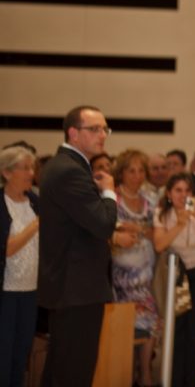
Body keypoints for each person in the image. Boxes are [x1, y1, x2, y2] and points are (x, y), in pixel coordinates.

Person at [38, 105, 118, 386]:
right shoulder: (69, 171)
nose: (103, 135)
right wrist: (109, 191)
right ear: (73, 133)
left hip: (72, 288)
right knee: (74, 372)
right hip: (76, 289)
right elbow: (104, 224)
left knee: (61, 369)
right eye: (94, 129)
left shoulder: (67, 166)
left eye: (105, 129)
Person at [153, 173, 195, 387]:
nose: (183, 195)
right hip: (175, 275)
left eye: (187, 191)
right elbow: (159, 245)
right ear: (169, 194)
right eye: (178, 190)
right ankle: (173, 380)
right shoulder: (162, 213)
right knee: (176, 329)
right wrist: (179, 224)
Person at [112, 149, 160, 387]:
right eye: (132, 170)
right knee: (124, 328)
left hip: (146, 271)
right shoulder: (113, 200)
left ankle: (146, 375)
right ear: (121, 172)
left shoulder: (149, 200)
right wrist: (134, 229)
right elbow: (114, 229)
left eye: (141, 170)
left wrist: (136, 228)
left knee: (151, 323)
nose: (137, 175)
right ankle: (125, 375)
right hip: (122, 275)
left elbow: (155, 231)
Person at [0, 146, 40, 387]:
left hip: (31, 290)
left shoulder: (36, 201)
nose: (31, 173)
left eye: (32, 168)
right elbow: (7, 248)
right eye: (24, 168)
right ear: (6, 172)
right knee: (3, 354)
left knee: (21, 352)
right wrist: (37, 225)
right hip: (6, 291)